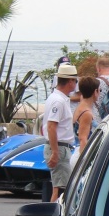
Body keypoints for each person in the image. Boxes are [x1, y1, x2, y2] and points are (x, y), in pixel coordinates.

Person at [43, 63, 79, 201]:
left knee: (59, 187)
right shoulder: (58, 101)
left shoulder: (58, 98)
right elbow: (51, 126)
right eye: (75, 81)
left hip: (61, 147)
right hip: (60, 147)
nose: (76, 84)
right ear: (70, 81)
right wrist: (55, 152)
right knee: (61, 190)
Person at [70, 76, 101, 168]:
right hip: (81, 156)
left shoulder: (81, 107)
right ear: (95, 92)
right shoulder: (86, 113)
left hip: (77, 152)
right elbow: (83, 139)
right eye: (100, 90)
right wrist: (86, 162)